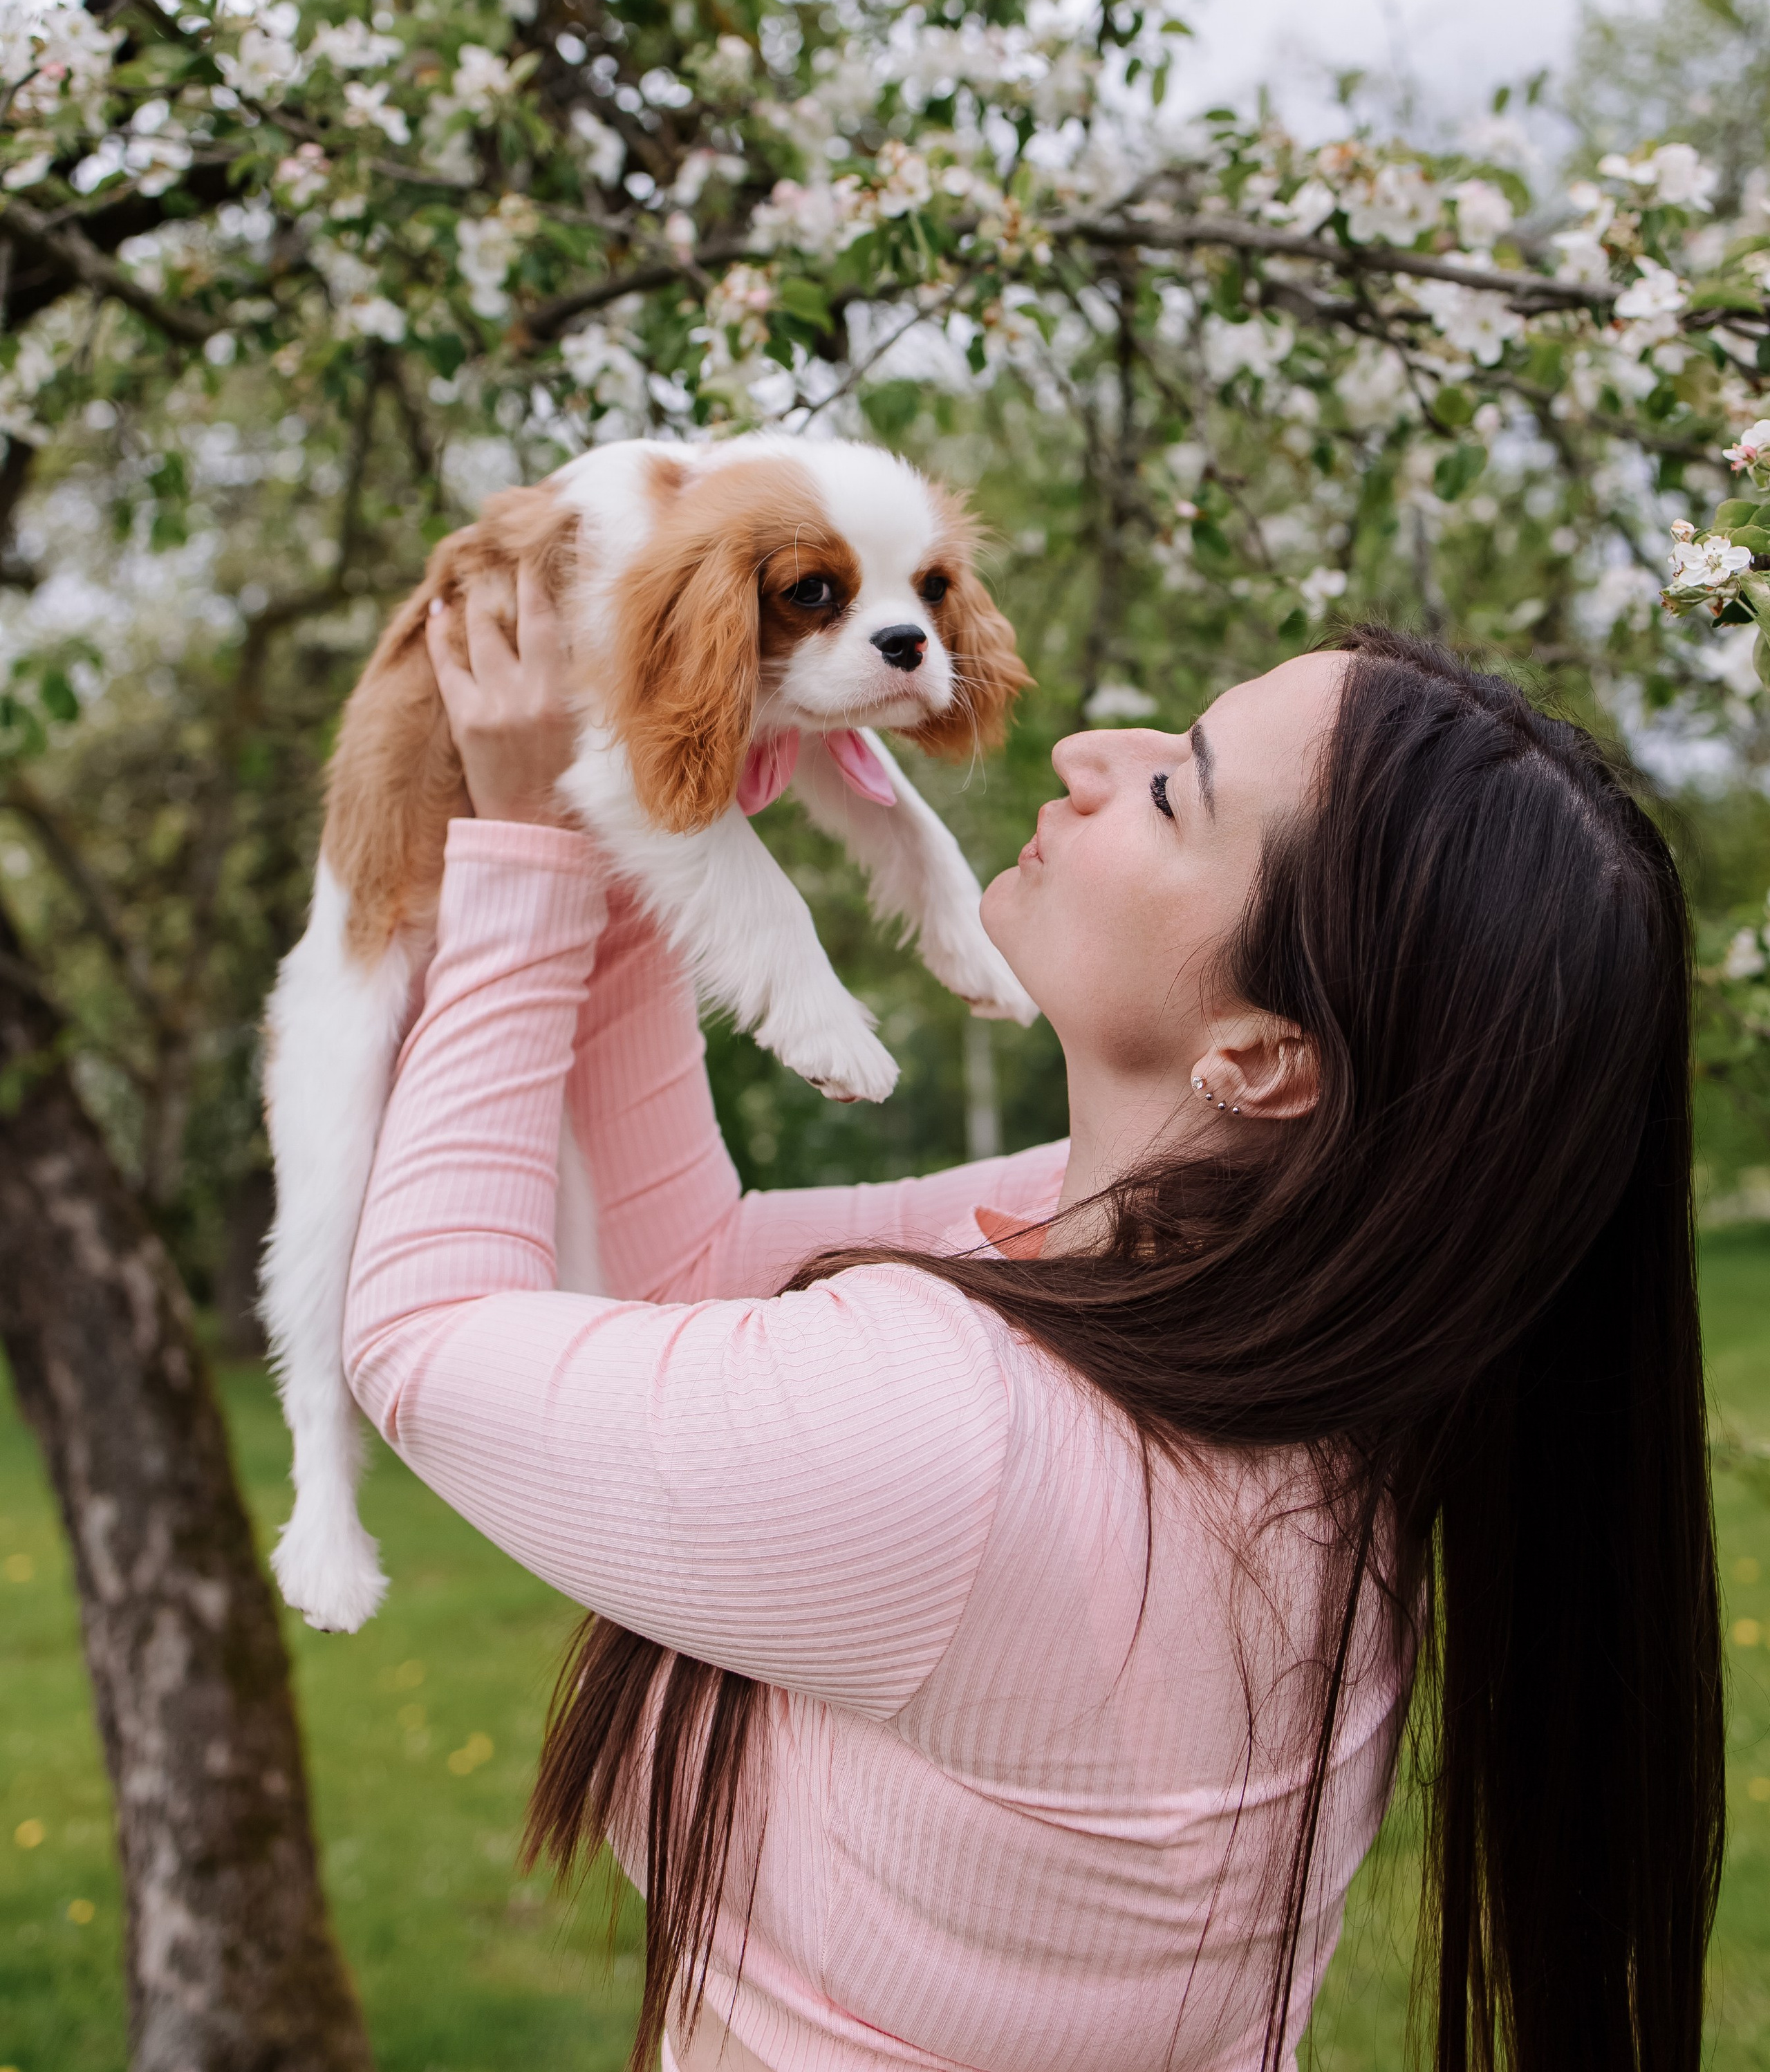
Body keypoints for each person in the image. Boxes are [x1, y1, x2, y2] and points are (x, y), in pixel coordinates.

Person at [342, 577, 1724, 2072]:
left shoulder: (970, 1432)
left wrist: (524, 859)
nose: (1087, 751)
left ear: (1260, 1055)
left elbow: (422, 1334)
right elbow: (699, 1273)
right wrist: (623, 825)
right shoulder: (1238, 1306)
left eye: (1172, 789)